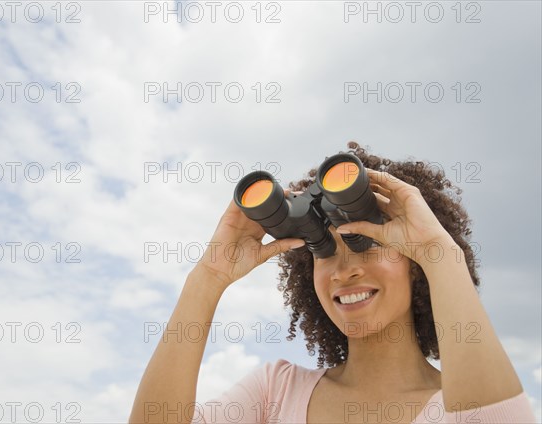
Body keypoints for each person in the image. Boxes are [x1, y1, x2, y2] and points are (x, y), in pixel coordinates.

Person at [129, 142, 537, 423]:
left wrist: (437, 252)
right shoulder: (276, 392)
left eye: (366, 245)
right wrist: (208, 278)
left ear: (414, 263)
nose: (344, 270)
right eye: (324, 251)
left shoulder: (465, 399)